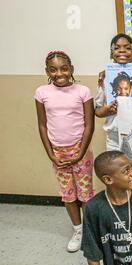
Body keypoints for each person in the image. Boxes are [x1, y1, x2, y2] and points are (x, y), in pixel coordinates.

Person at [35, 50, 95, 253]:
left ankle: (88, 231)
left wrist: (80, 152)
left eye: (64, 68)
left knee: (85, 194)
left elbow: (89, 125)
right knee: (68, 194)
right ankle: (77, 230)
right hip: (58, 152)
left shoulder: (83, 91)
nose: (59, 73)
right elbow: (42, 125)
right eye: (53, 70)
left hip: (81, 150)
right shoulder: (42, 93)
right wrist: (50, 154)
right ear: (47, 72)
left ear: (71, 69)